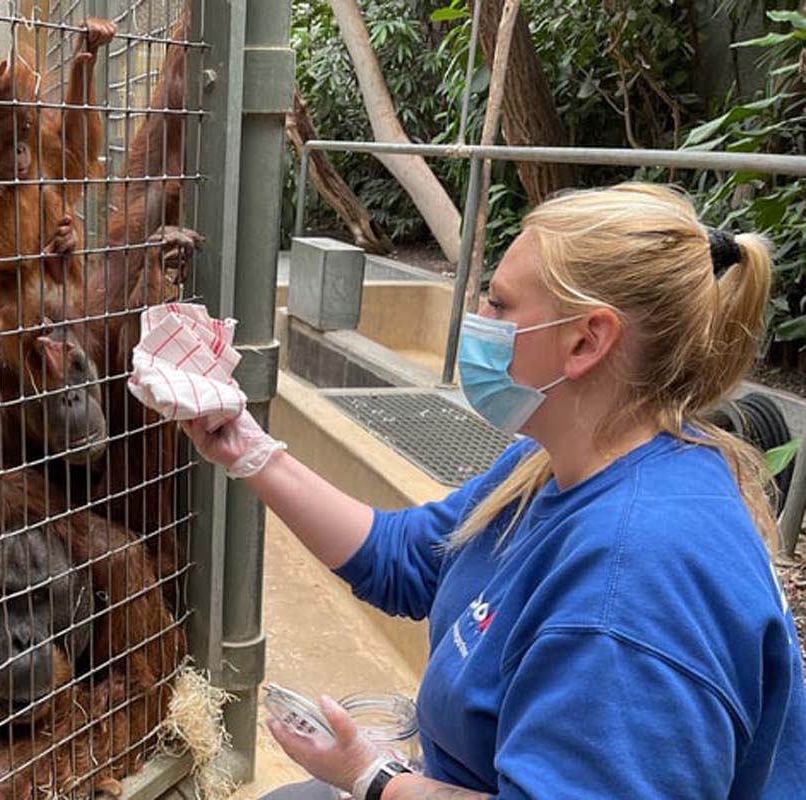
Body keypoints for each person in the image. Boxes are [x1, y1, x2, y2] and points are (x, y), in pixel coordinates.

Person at [182, 184, 806, 799]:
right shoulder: (555, 464)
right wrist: (248, 449)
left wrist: (374, 779)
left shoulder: (629, 589)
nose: (478, 319)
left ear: (587, 340)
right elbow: (407, 560)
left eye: (501, 306)